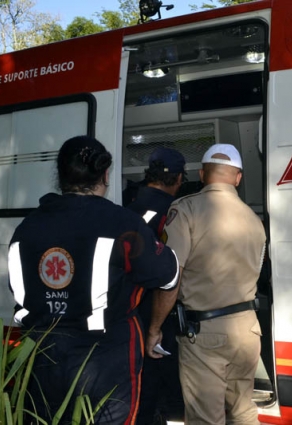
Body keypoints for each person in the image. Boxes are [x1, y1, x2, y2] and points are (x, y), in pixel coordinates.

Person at [8, 135, 180, 424]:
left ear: (60, 176)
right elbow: (169, 275)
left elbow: (19, 292)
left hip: (41, 357)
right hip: (105, 361)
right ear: (105, 174)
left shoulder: (26, 228)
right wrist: (153, 330)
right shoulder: (123, 224)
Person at [157, 143, 266, 425]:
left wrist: (154, 328)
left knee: (206, 419)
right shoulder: (254, 220)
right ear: (238, 178)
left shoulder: (186, 210)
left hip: (205, 333)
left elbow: (171, 278)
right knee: (243, 411)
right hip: (248, 330)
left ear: (202, 174)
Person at [127, 147, 186, 425]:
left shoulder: (127, 203)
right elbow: (174, 267)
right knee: (161, 367)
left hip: (128, 302)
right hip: (158, 302)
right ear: (179, 179)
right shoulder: (174, 210)